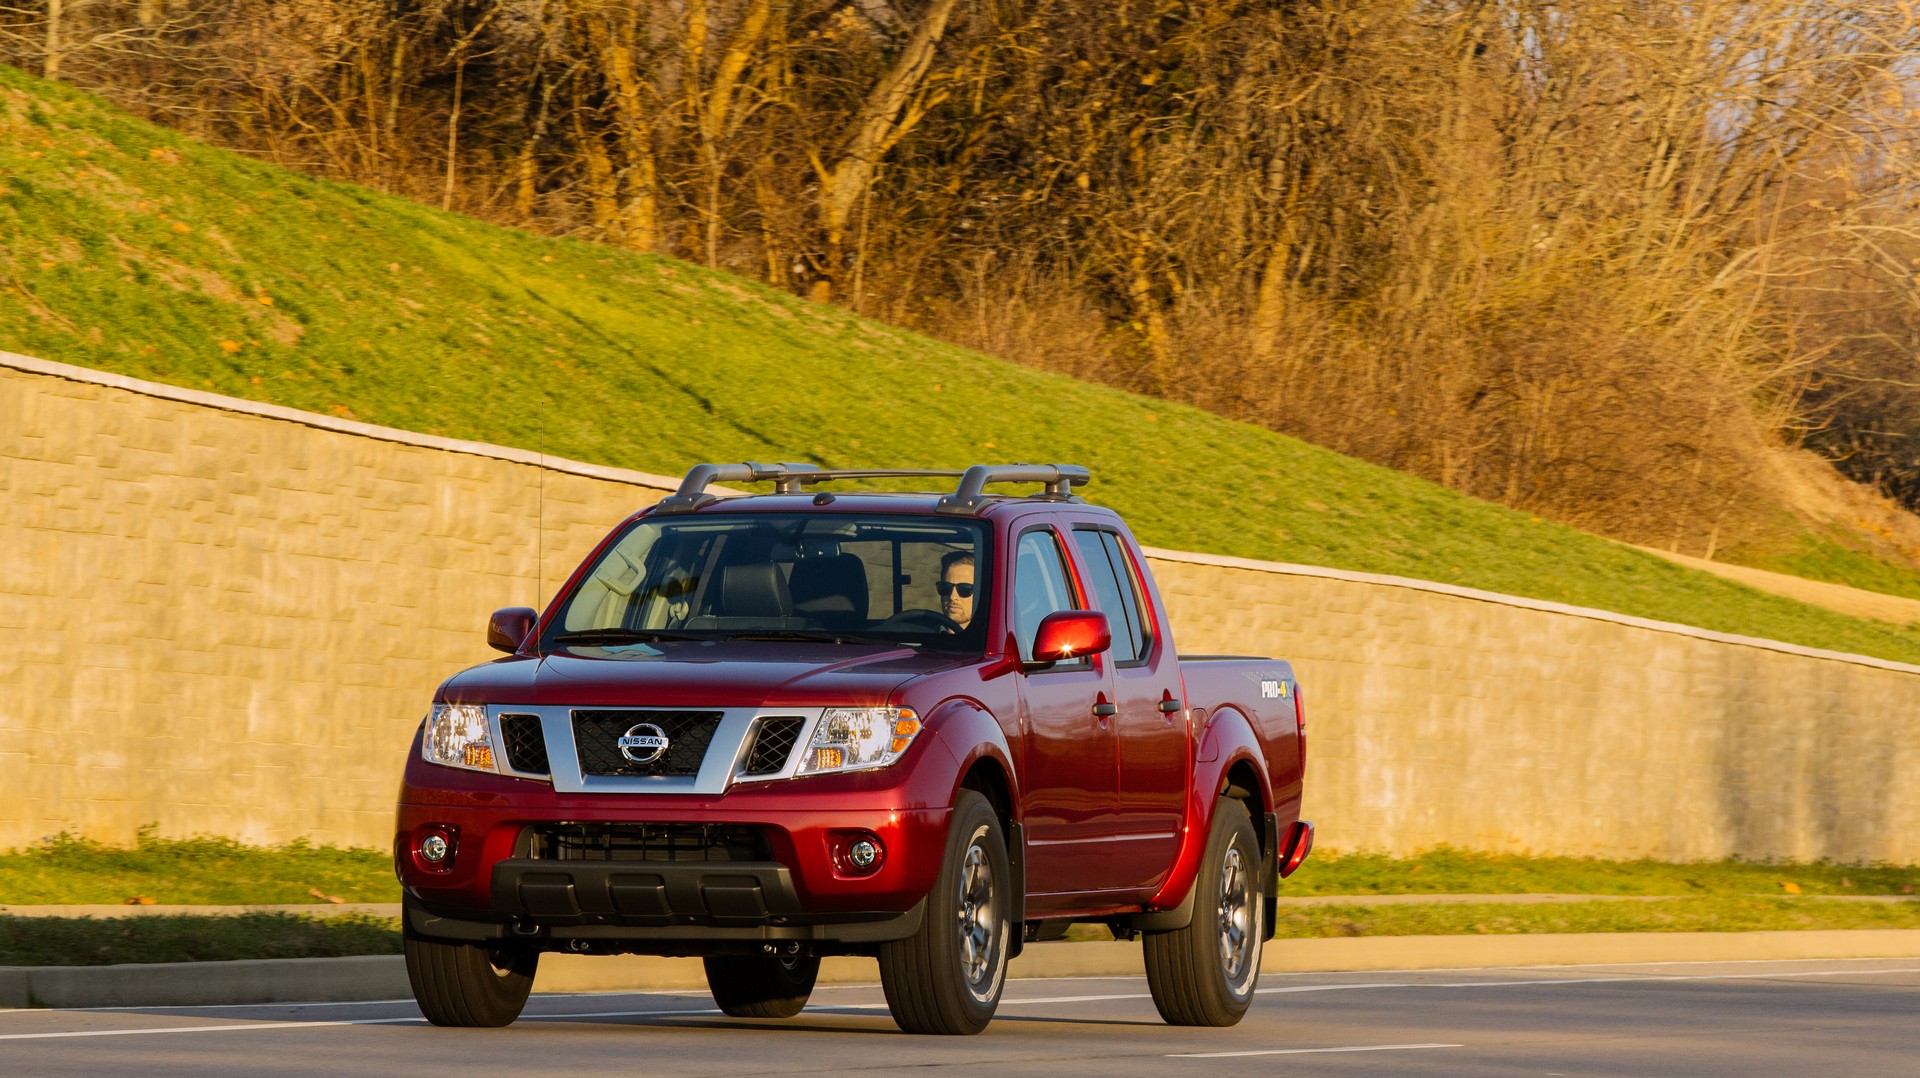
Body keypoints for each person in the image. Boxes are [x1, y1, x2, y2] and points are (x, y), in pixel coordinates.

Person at [937, 550, 975, 630]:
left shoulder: (991, 639)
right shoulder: (923, 634)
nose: (952, 596)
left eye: (964, 589)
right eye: (946, 587)